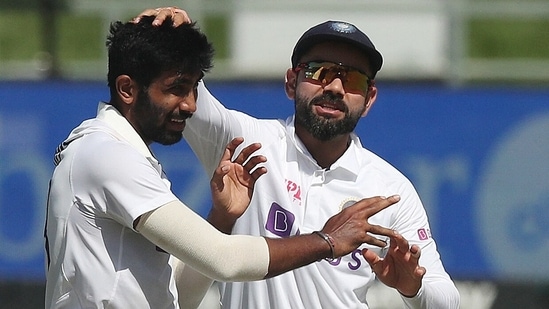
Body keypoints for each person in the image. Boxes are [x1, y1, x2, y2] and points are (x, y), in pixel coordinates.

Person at [43, 16, 403, 309]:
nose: (190, 106)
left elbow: (177, 297)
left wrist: (223, 218)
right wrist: (327, 240)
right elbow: (223, 260)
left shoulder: (125, 153)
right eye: (176, 88)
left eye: (194, 88)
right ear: (127, 89)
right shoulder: (108, 155)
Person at [136, 7, 461, 309]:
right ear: (292, 82)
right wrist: (171, 38)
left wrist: (413, 290)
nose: (334, 86)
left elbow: (447, 298)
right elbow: (185, 91)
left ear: (369, 98)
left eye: (353, 79)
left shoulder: (390, 190)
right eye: (319, 70)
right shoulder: (246, 141)